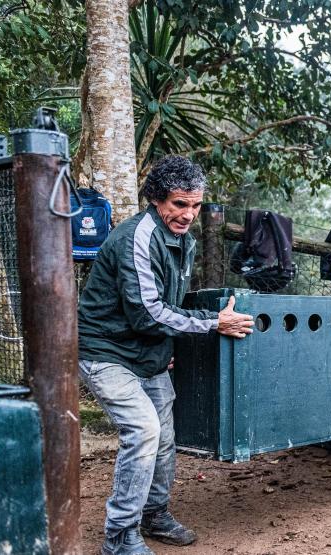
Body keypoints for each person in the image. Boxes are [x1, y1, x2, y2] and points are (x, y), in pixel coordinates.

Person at [77, 155, 254, 555]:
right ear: (157, 199)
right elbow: (147, 312)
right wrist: (213, 323)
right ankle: (119, 537)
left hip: (148, 355)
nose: (189, 214)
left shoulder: (182, 240)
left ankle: (153, 515)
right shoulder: (137, 236)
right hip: (106, 352)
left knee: (164, 438)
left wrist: (167, 347)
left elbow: (164, 308)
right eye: (179, 204)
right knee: (143, 432)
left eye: (195, 205)